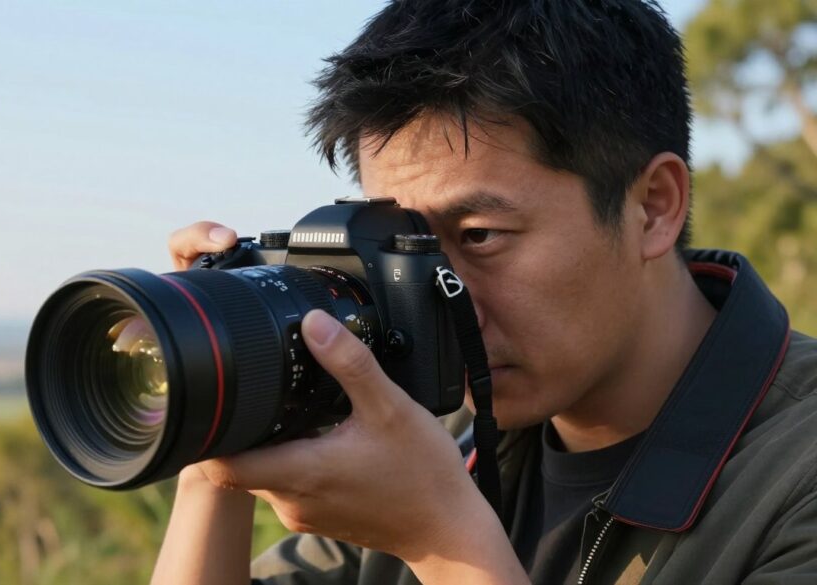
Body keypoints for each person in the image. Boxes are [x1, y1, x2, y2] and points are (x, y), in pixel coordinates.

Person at [150, 1, 817, 584]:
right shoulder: (438, 439)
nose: (445, 299)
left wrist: (442, 542)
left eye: (478, 235)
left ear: (652, 206)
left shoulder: (793, 477)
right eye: (404, 244)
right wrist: (221, 409)